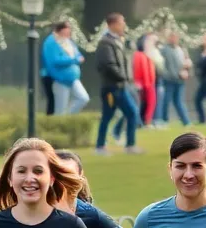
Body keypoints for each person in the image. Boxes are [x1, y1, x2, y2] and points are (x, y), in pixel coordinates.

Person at [94, 13, 143, 155]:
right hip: (112, 87)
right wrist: (123, 77)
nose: (124, 26)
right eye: (122, 23)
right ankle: (100, 147)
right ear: (113, 25)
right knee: (109, 116)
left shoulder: (116, 41)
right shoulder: (105, 43)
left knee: (131, 113)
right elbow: (108, 65)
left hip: (119, 86)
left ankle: (129, 145)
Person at [42, 20, 88, 116]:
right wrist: (74, 60)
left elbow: (77, 53)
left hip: (73, 77)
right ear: (60, 31)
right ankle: (59, 124)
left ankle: (68, 117)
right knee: (60, 107)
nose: (68, 34)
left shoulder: (68, 41)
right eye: (66, 31)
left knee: (83, 98)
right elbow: (55, 60)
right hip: (59, 77)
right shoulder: (51, 42)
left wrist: (78, 58)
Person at [158, 32, 193, 127]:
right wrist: (167, 75)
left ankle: (186, 121)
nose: (173, 39)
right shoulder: (164, 50)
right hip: (169, 80)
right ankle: (164, 120)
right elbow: (162, 65)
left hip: (180, 80)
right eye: (171, 37)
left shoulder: (181, 50)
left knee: (179, 101)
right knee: (166, 100)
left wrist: (186, 70)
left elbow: (187, 63)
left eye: (175, 37)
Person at [133, 34, 158, 126]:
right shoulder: (139, 55)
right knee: (142, 103)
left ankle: (147, 121)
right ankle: (144, 122)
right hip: (143, 83)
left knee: (151, 102)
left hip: (149, 83)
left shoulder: (147, 54)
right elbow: (138, 69)